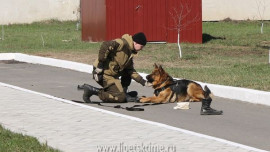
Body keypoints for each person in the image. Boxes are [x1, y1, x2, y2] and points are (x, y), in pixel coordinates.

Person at [78, 32, 152, 103]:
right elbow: (105, 45)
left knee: (127, 71)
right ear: (135, 42)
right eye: (141, 46)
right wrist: (100, 65)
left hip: (111, 74)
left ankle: (122, 92)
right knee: (120, 98)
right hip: (102, 74)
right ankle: (92, 90)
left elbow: (131, 71)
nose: (142, 49)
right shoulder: (122, 43)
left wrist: (144, 82)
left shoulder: (129, 52)